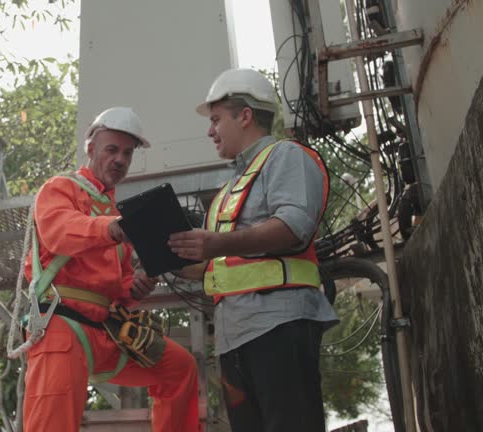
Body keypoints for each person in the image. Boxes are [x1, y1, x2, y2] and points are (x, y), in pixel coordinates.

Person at [168, 68, 339, 432]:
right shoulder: (229, 189)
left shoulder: (287, 157)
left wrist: (217, 243)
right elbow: (219, 263)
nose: (209, 131)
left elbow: (293, 227)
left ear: (245, 116)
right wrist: (166, 260)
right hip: (234, 338)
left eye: (216, 120)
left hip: (279, 324)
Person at [23, 107, 201, 432]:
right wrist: (114, 229)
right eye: (112, 149)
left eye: (128, 153)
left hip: (108, 331)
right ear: (90, 148)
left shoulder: (117, 214)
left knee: (180, 367)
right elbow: (59, 232)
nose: (120, 159)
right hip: (63, 325)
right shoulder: (60, 188)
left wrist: (136, 288)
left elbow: (120, 288)